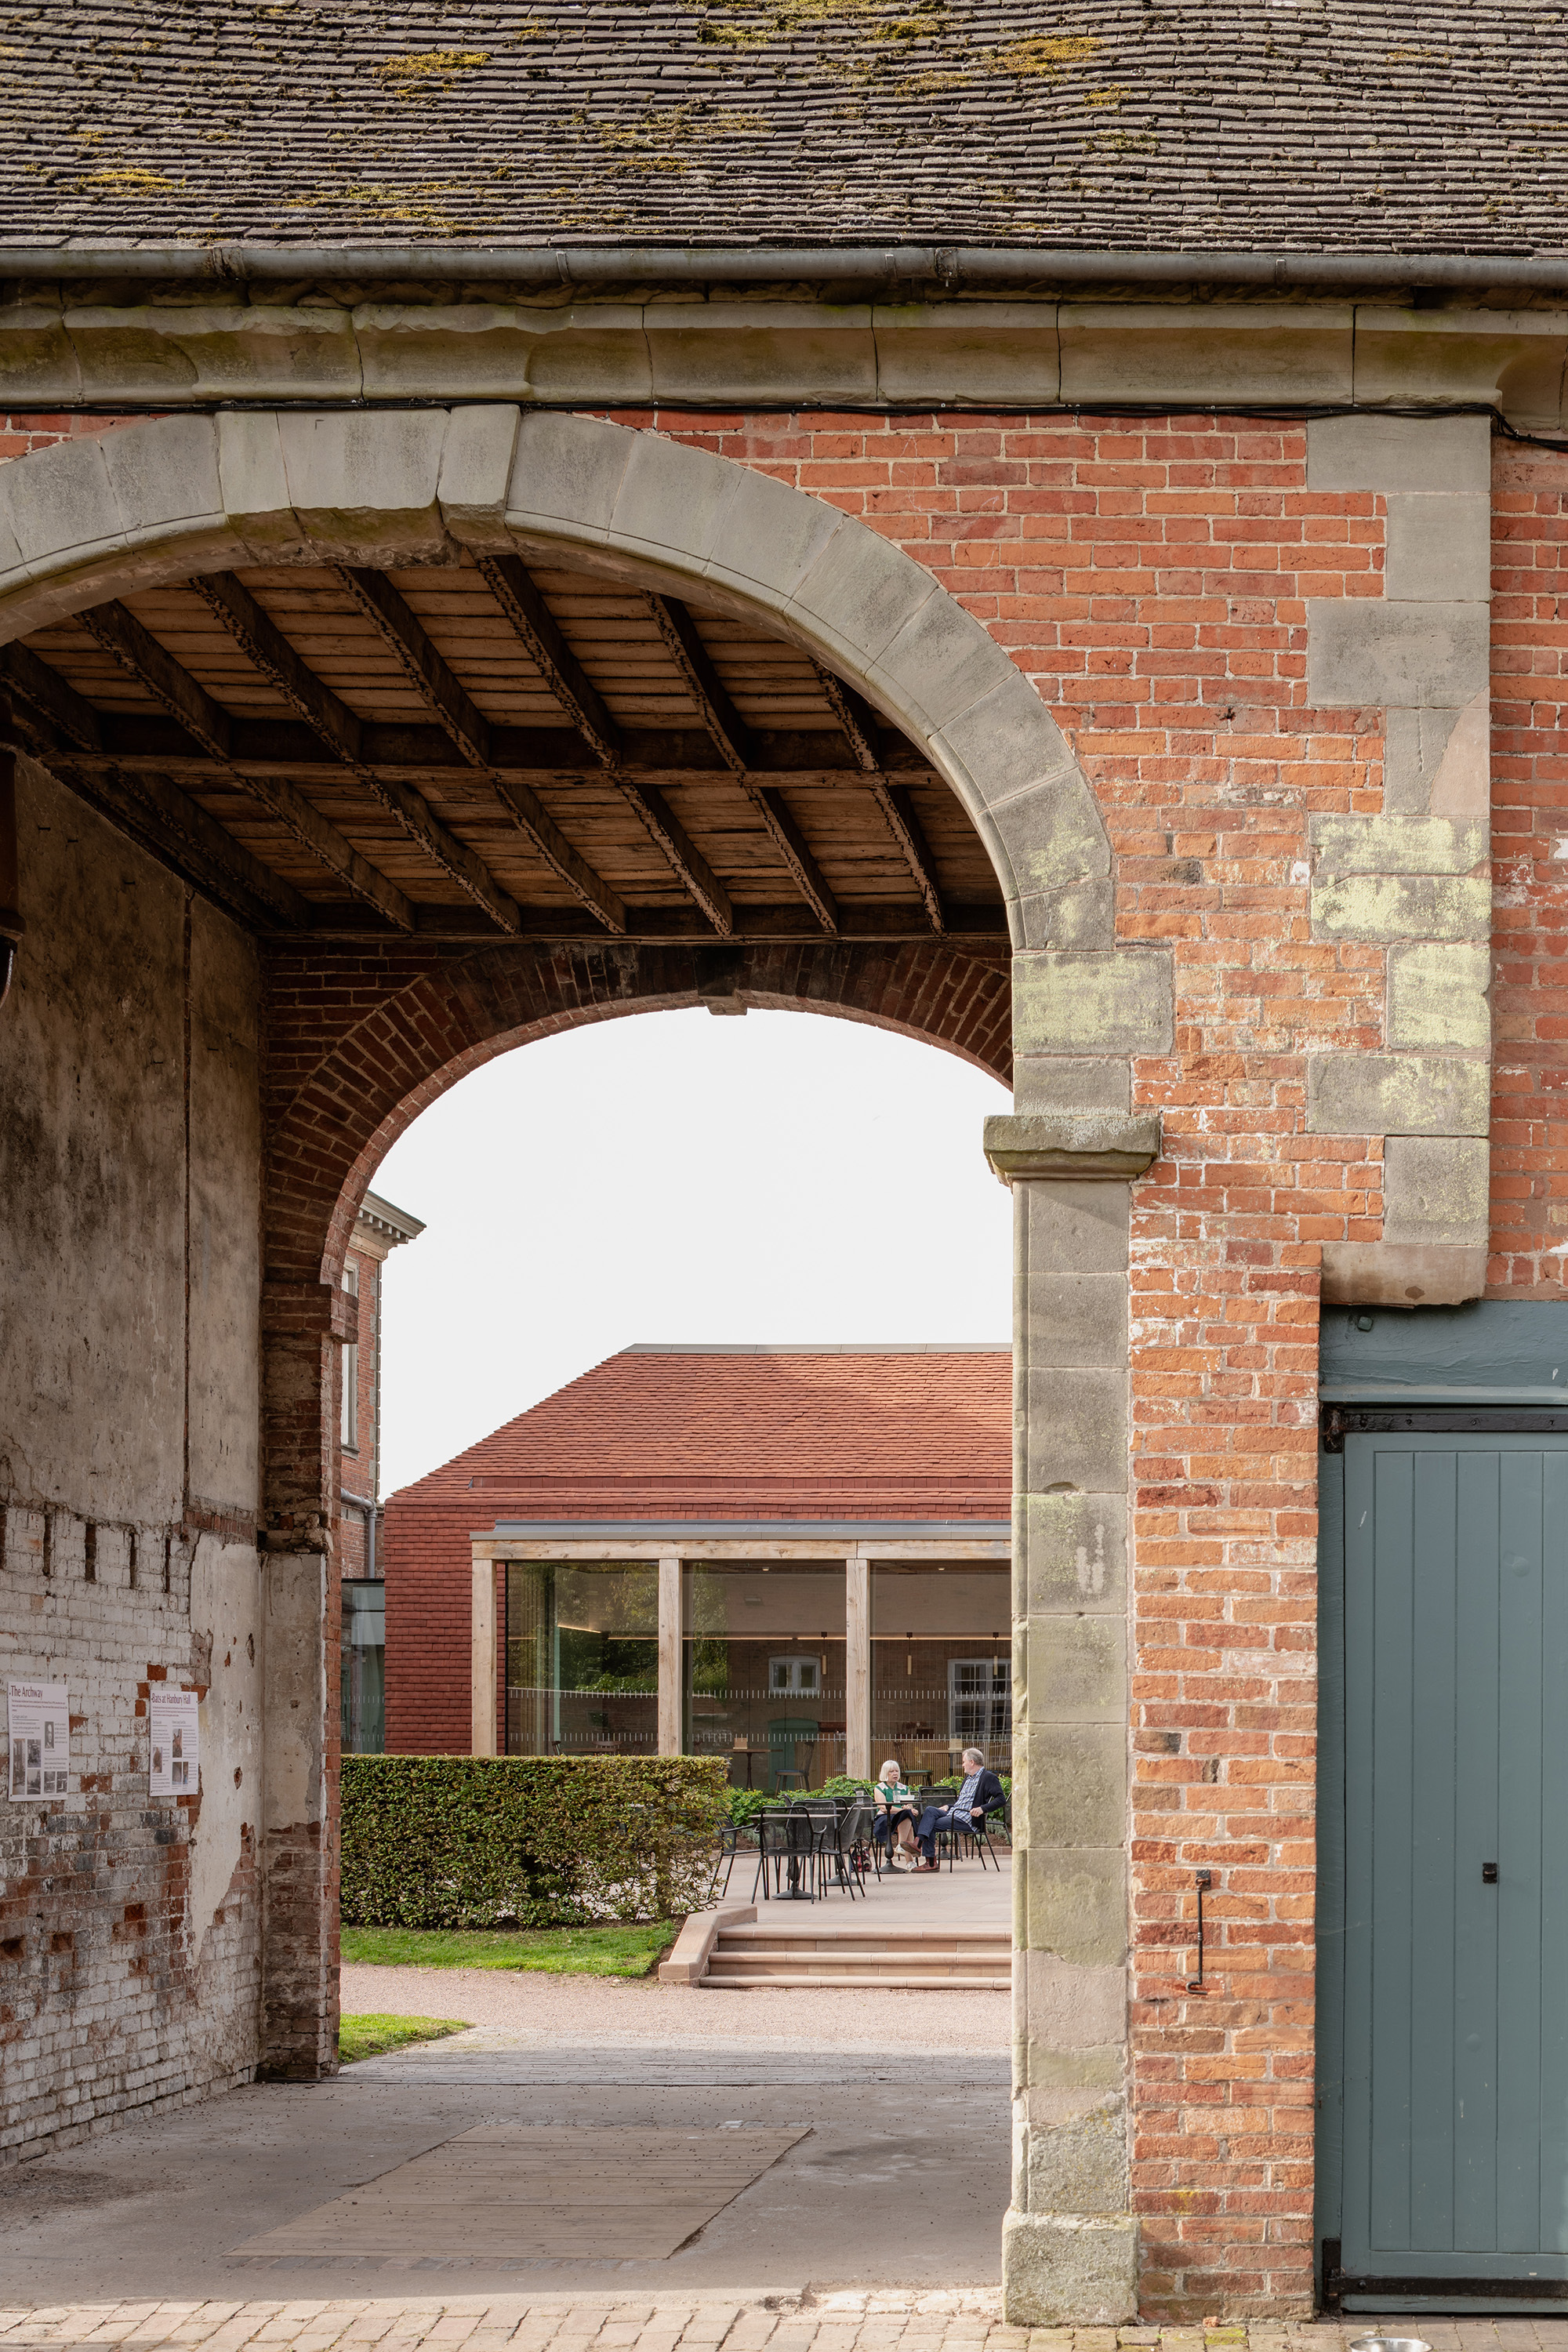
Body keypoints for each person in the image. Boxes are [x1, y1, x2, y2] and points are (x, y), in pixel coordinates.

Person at [913, 1748, 1005, 1868]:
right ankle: (919, 1846)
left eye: (964, 1762)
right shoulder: (968, 1779)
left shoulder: (988, 1777)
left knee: (930, 1824)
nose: (962, 1765)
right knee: (930, 1810)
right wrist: (948, 1806)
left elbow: (1001, 1799)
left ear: (972, 1762)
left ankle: (928, 1861)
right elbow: (962, 1803)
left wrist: (982, 1809)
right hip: (955, 1813)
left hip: (968, 1820)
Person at [872, 1757, 921, 1870]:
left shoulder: (904, 1788)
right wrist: (903, 1811)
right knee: (907, 1816)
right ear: (885, 1773)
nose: (895, 1774)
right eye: (891, 1771)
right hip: (885, 1818)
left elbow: (910, 1806)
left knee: (908, 1816)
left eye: (896, 1771)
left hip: (902, 1819)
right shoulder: (879, 1788)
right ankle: (909, 1860)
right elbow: (884, 1808)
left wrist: (912, 1810)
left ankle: (902, 1847)